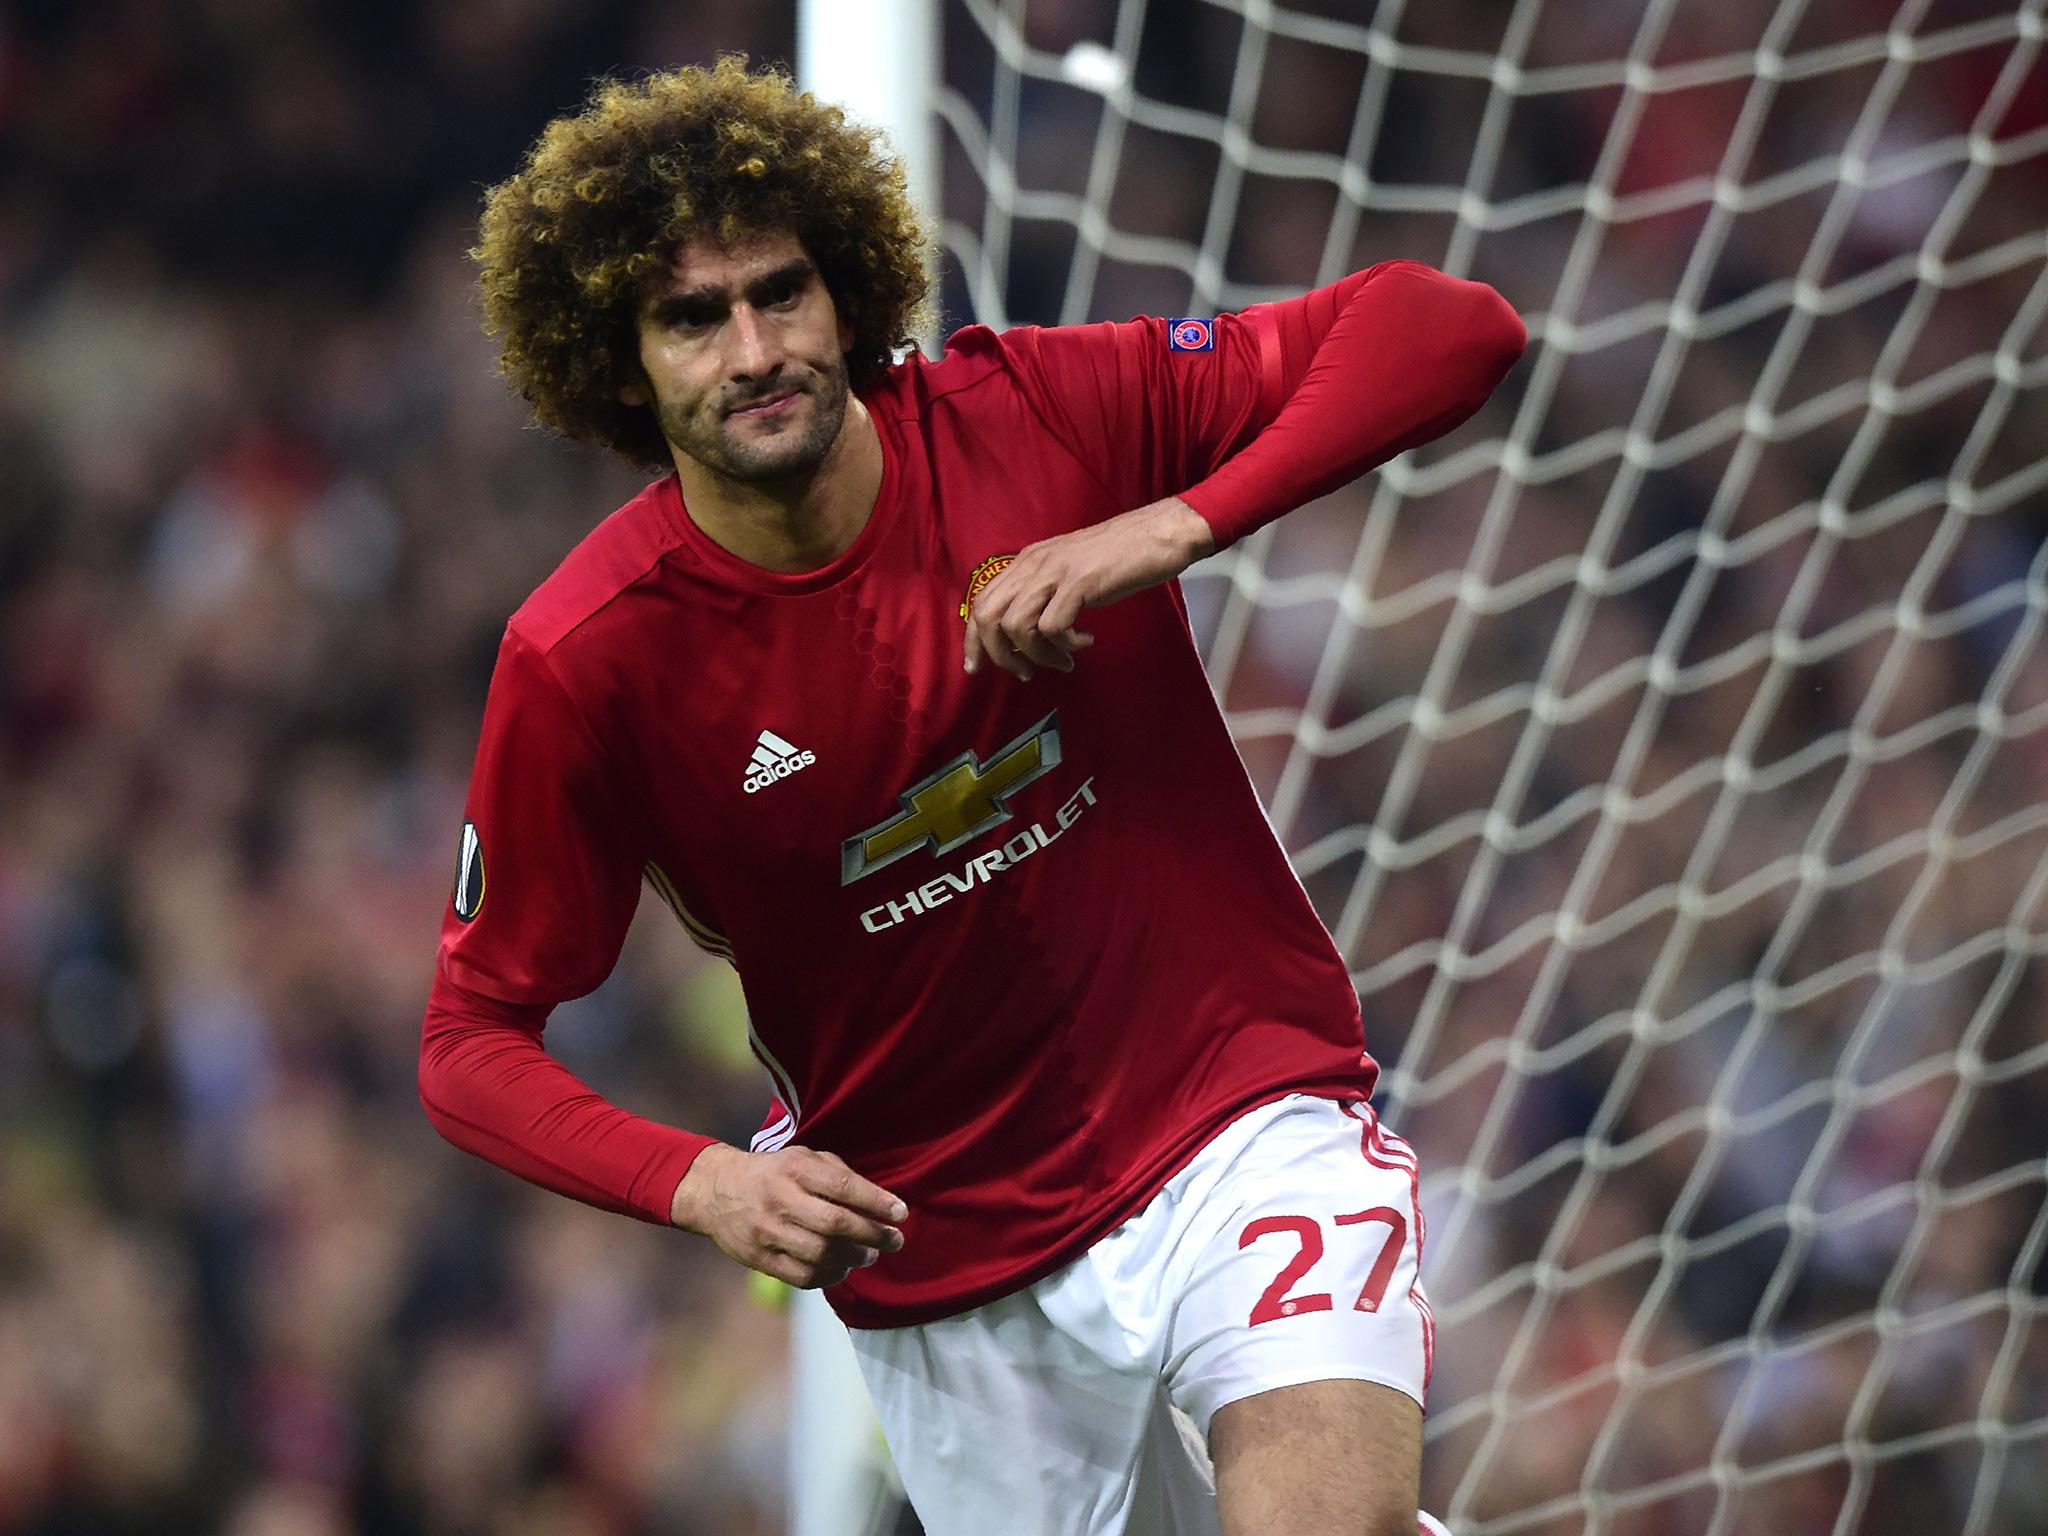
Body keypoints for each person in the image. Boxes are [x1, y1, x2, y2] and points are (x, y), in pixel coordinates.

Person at [419, 56, 1523, 1536]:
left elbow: (1449, 327)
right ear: (620, 362)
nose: (754, 351)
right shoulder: (587, 659)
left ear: (850, 291)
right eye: (693, 317)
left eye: (782, 291)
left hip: (1232, 1119)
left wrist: (1169, 527)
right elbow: (468, 1041)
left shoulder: (1034, 417)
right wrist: (698, 1186)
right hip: (944, 1262)